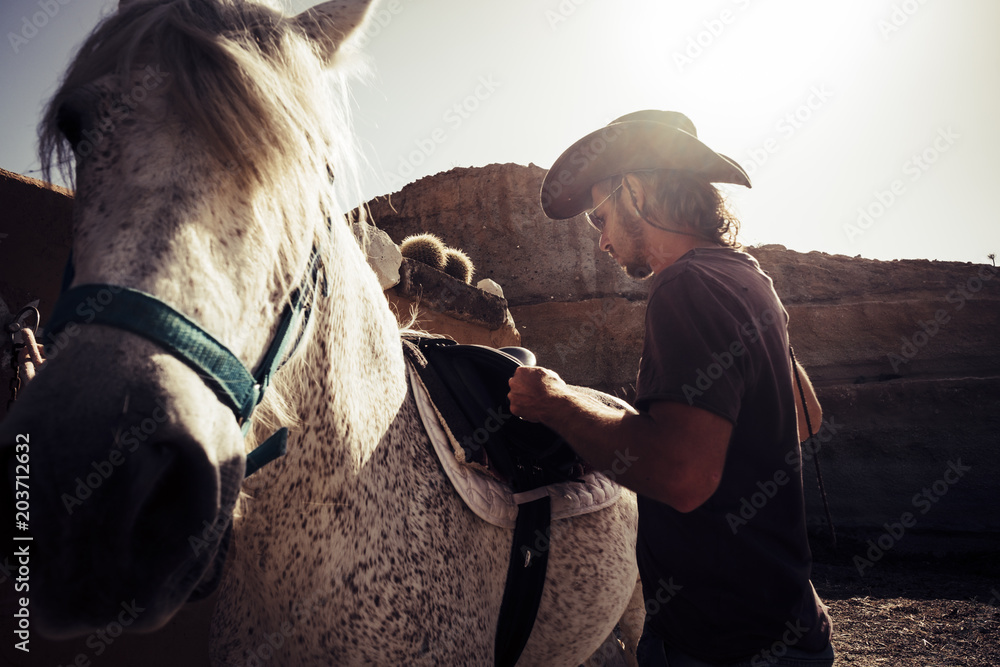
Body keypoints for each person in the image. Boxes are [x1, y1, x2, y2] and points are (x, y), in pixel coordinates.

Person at [508, 110, 834, 666]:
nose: (602, 242)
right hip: (789, 622)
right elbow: (806, 420)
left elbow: (681, 477)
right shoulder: (746, 277)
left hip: (717, 645)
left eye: (601, 218)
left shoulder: (684, 286)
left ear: (635, 189)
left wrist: (555, 403)